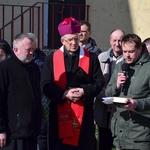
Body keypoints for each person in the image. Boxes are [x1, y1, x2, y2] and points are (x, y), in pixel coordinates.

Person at [41, 16, 105, 150]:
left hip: (84, 113)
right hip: (59, 113)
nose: (74, 43)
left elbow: (99, 82)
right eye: (70, 40)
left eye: (76, 38)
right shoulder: (51, 59)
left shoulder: (91, 57)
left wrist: (83, 91)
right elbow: (45, 85)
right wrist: (64, 94)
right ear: (62, 40)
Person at [106, 33, 150, 150]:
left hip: (141, 134)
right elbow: (107, 93)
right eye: (124, 51)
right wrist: (117, 85)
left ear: (140, 49)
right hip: (120, 133)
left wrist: (136, 104)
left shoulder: (148, 68)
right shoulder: (120, 66)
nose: (127, 55)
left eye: (131, 52)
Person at [0, 33, 42, 150]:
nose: (31, 53)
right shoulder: (4, 68)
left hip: (31, 131)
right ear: (16, 49)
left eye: (33, 49)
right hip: (12, 133)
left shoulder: (33, 68)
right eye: (28, 49)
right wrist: (1, 129)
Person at [94, 29, 125, 150]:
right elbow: (96, 81)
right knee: (103, 139)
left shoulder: (128, 59)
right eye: (114, 40)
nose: (117, 43)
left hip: (120, 107)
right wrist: (105, 96)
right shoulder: (101, 57)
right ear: (110, 41)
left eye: (120, 40)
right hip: (102, 105)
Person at [27, 32, 48, 150]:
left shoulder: (42, 56)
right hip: (27, 98)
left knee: (41, 132)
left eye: (34, 44)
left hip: (41, 98)